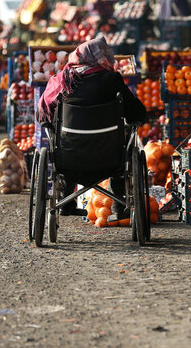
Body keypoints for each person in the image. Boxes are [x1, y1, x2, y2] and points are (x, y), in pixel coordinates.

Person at [37, 38, 147, 221]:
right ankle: (120, 207)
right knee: (124, 143)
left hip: (69, 159)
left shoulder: (63, 80)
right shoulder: (112, 80)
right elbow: (137, 113)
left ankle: (65, 202)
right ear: (102, 58)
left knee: (66, 137)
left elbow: (42, 115)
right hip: (109, 159)